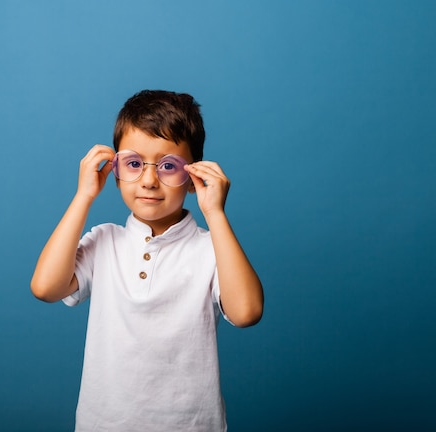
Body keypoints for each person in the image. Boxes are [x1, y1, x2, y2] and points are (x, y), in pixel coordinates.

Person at [31, 90, 264, 431]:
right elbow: (45, 287)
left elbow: (246, 313)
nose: (150, 180)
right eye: (135, 164)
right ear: (115, 170)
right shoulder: (104, 240)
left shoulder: (211, 251)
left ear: (193, 176)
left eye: (169, 165)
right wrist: (83, 196)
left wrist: (214, 213)